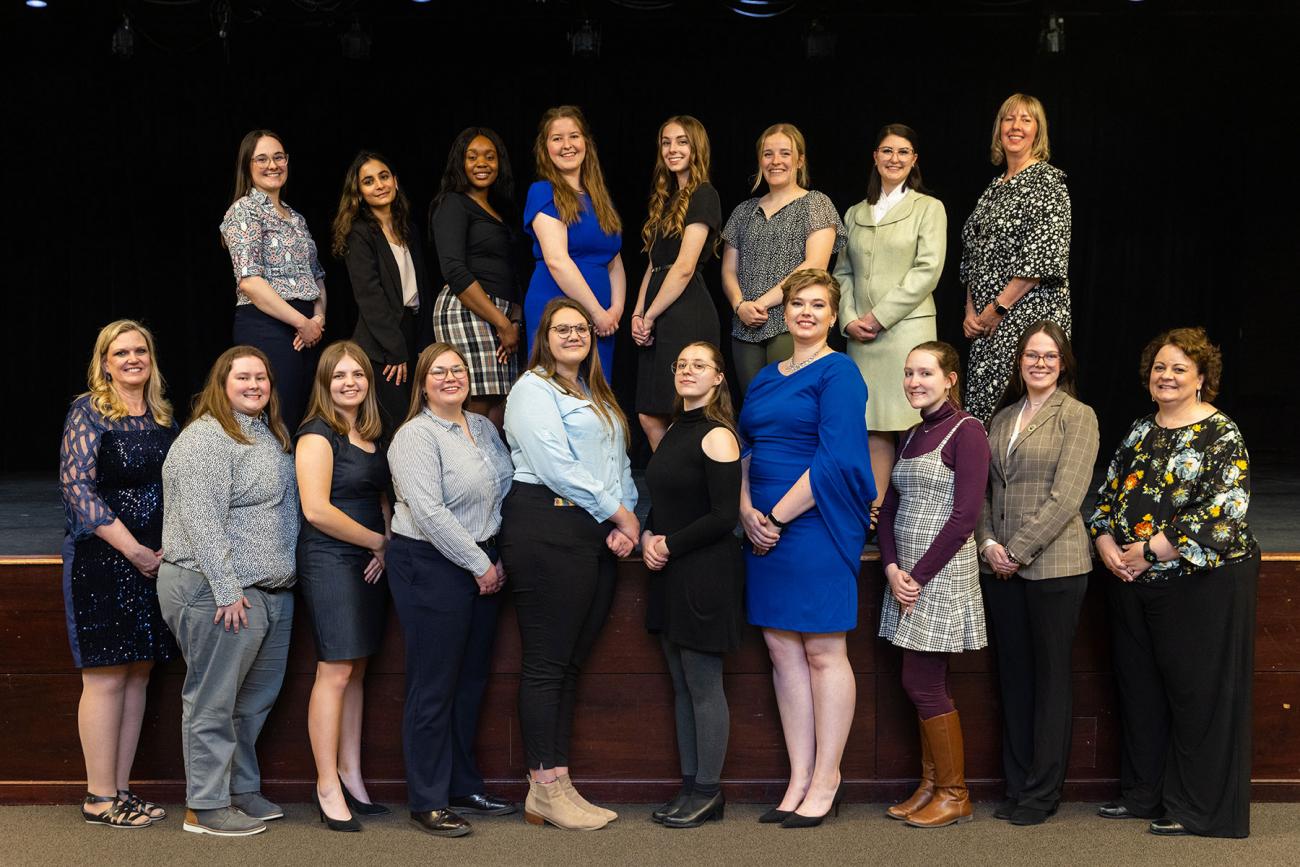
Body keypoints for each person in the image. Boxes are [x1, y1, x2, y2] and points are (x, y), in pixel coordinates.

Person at [1088, 326, 1258, 839]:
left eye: (1179, 368)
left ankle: (1195, 806)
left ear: (1202, 378)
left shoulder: (1221, 433)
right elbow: (1107, 496)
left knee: (1194, 696)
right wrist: (1105, 544)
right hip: (1131, 581)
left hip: (1197, 585)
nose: (1167, 376)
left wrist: (1144, 551)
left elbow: (1223, 513)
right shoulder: (1142, 429)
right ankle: (1144, 794)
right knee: (1141, 692)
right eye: (1160, 367)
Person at [738, 269, 874, 828]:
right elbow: (746, 448)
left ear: (833, 315)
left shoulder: (840, 372)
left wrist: (774, 515)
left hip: (813, 524)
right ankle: (798, 777)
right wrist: (746, 509)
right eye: (798, 303)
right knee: (781, 652)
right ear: (784, 311)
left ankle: (827, 778)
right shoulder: (766, 377)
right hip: (761, 527)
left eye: (819, 304)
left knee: (822, 651)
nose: (807, 313)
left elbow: (837, 458)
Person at [500, 297, 639, 830]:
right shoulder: (532, 389)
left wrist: (624, 522)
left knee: (569, 664)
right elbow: (555, 465)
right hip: (545, 527)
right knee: (545, 664)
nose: (573, 335)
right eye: (562, 328)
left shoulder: (595, 392)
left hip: (591, 529)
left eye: (581, 328)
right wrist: (620, 514)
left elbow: (618, 462)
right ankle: (542, 787)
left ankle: (559, 781)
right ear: (545, 335)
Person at [157, 346, 299, 837]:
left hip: (267, 589)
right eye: (244, 377)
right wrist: (224, 588)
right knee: (213, 700)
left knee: (252, 702)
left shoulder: (266, 433)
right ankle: (205, 805)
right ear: (222, 383)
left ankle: (239, 790)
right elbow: (201, 520)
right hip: (217, 588)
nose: (255, 385)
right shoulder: (206, 439)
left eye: (262, 377)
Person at [386, 342, 517, 838]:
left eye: (457, 370)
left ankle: (462, 785)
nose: (450, 377)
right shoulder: (415, 437)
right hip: (431, 565)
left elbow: (502, 489)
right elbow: (430, 513)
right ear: (422, 382)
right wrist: (480, 563)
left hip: (482, 560)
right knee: (434, 686)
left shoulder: (482, 426)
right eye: (438, 371)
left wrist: (495, 552)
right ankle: (427, 799)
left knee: (470, 683)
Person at [975, 321, 1098, 826]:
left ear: (1063, 362)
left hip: (1055, 568)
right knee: (1014, 681)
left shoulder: (1078, 416)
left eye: (1049, 356)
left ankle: (1043, 794)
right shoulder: (1002, 417)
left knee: (1049, 682)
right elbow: (984, 492)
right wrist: (988, 545)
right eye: (1031, 355)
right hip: (1001, 568)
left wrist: (1017, 551)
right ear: (1019, 361)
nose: (1039, 363)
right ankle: (1017, 785)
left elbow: (1067, 498)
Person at [60, 320, 178, 829]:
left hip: (156, 559)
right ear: (104, 362)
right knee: (107, 676)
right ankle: (98, 797)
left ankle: (122, 790)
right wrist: (135, 551)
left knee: (139, 671)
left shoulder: (162, 414)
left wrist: (165, 549)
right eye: (121, 352)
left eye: (140, 350)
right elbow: (77, 489)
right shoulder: (88, 410)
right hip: (105, 558)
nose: (133, 359)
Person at [877, 341, 990, 829]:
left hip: (940, 574)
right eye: (908, 374)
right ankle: (931, 785)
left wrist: (916, 577)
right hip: (904, 576)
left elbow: (965, 516)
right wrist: (890, 568)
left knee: (922, 681)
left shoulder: (968, 432)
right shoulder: (907, 435)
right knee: (922, 681)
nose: (914, 382)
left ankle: (954, 792)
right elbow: (887, 511)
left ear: (950, 379)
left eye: (925, 372)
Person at [642, 341, 744, 829]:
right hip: (670, 570)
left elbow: (725, 517)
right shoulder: (674, 430)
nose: (688, 371)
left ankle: (708, 792)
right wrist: (646, 534)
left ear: (718, 378)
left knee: (703, 686)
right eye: (682, 364)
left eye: (699, 365)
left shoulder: (718, 434)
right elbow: (661, 501)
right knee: (681, 686)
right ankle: (690, 787)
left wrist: (667, 545)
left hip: (704, 573)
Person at [295, 341, 393, 832]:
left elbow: (381, 495)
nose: (350, 382)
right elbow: (316, 509)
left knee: (356, 670)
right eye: (339, 376)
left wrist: (386, 542)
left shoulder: (371, 432)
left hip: (370, 560)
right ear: (325, 383)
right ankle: (326, 783)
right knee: (334, 670)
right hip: (331, 558)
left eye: (357, 374)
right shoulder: (318, 434)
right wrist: (379, 542)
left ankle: (352, 777)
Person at [833, 123, 947, 534]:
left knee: (911, 422)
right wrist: (847, 318)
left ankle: (915, 519)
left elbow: (928, 270)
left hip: (905, 332)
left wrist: (879, 316)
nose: (894, 158)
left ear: (914, 159)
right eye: (886, 151)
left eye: (903, 152)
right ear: (875, 158)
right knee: (872, 425)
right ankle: (875, 515)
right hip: (862, 337)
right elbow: (842, 272)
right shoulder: (854, 213)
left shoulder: (927, 208)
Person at [960, 94, 1071, 425]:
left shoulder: (1048, 182)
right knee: (984, 418)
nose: (1016, 126)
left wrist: (997, 309)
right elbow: (972, 253)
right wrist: (971, 312)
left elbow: (1042, 256)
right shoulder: (994, 187)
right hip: (986, 326)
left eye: (1026, 119)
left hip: (1026, 318)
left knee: (1019, 413)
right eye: (1009, 119)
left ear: (1038, 131)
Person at [721, 123, 845, 397]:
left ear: (799, 160)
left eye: (785, 154)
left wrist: (761, 304)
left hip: (792, 322)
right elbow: (729, 269)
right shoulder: (743, 211)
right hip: (745, 326)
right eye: (768, 154)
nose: (775, 161)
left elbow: (814, 266)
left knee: (787, 404)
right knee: (754, 406)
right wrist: (740, 305)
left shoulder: (816, 203)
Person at [220, 129, 327, 432]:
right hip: (269, 327)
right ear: (248, 166)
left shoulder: (296, 217)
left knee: (309, 419)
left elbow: (316, 275)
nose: (273, 165)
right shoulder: (244, 210)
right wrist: (301, 323)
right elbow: (250, 282)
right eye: (262, 159)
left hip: (307, 330)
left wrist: (318, 319)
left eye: (278, 157)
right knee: (279, 420)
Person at [631, 116, 723, 450]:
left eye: (682, 141)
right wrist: (638, 314)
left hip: (685, 312)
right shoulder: (668, 198)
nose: (672, 149)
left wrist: (651, 315)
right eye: (666, 142)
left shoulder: (704, 194)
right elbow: (654, 265)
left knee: (680, 411)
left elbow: (683, 267)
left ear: (696, 148)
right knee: (649, 413)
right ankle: (674, 490)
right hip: (658, 310)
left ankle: (685, 493)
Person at [430, 127, 525, 432]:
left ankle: (492, 473)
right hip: (468, 309)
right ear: (460, 162)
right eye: (472, 157)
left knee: (501, 404)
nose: (481, 163)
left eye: (489, 156)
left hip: (499, 315)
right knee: (479, 402)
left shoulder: (499, 210)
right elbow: (455, 271)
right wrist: (501, 322)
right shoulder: (452, 204)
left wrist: (514, 320)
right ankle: (470, 474)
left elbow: (513, 271)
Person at [332, 152, 433, 434]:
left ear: (395, 182)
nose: (379, 184)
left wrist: (424, 343)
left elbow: (422, 289)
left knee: (419, 421)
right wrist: (395, 350)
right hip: (383, 345)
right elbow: (370, 298)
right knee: (398, 427)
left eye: (384, 176)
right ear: (359, 193)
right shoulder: (360, 232)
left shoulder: (408, 229)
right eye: (368, 181)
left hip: (412, 335)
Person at [523, 106, 625, 379]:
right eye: (557, 138)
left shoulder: (598, 197)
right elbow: (557, 261)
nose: (567, 145)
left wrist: (615, 310)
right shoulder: (543, 192)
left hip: (603, 316)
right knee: (558, 390)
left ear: (586, 143)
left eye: (574, 136)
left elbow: (614, 259)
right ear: (545, 148)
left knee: (596, 394)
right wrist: (596, 313)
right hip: (557, 307)